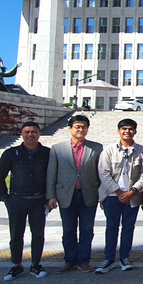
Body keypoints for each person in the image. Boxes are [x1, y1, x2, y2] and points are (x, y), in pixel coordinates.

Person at [46, 114, 102, 273]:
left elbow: (100, 172)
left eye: (83, 127)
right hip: (65, 194)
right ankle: (70, 260)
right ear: (70, 129)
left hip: (88, 194)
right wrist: (51, 195)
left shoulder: (96, 148)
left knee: (86, 229)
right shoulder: (57, 149)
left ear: (87, 130)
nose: (80, 129)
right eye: (77, 127)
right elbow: (51, 173)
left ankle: (84, 260)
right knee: (68, 229)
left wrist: (101, 194)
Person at [0, 121, 51, 281]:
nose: (30, 135)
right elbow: (0, 176)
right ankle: (16, 265)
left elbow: (52, 176)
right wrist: (4, 197)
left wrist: (50, 196)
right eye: (27, 132)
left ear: (39, 134)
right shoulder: (11, 153)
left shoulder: (47, 153)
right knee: (16, 234)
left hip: (39, 200)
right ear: (22, 134)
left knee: (38, 234)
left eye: (34, 132)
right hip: (16, 199)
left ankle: (36, 264)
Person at [95, 118, 143, 274]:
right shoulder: (109, 150)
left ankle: (125, 257)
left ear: (135, 132)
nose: (127, 132)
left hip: (132, 196)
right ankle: (109, 258)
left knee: (128, 228)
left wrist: (132, 192)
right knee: (111, 227)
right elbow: (103, 172)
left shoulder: (141, 150)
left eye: (130, 129)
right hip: (112, 196)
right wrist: (118, 192)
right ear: (119, 131)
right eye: (124, 129)